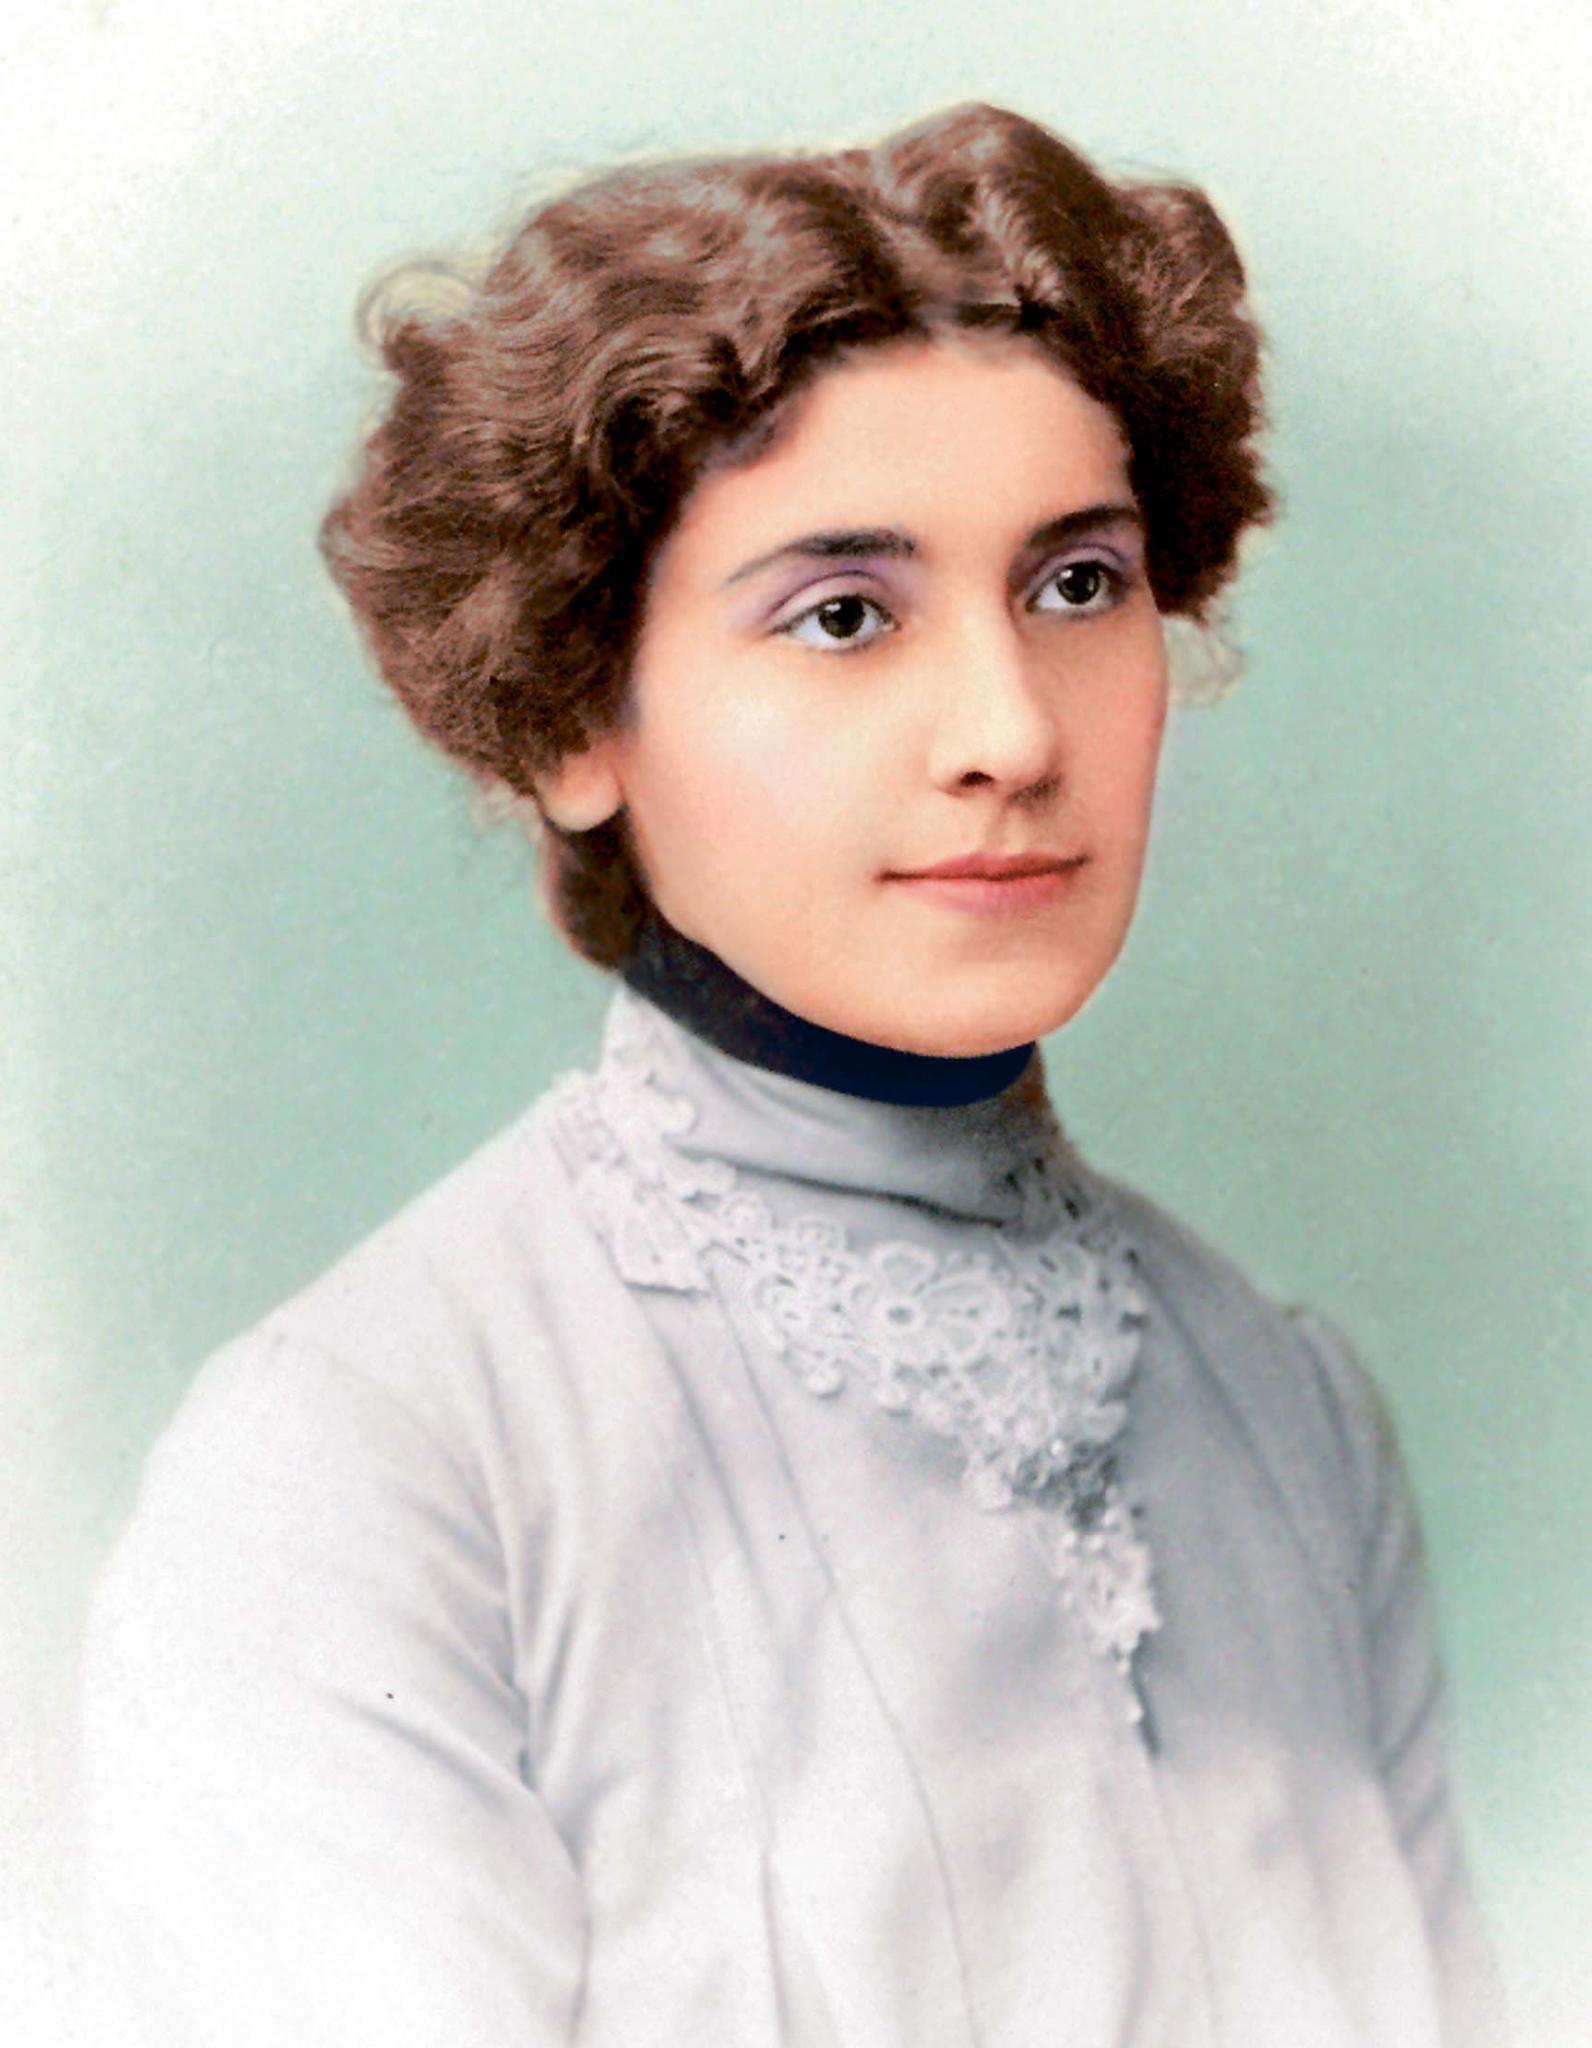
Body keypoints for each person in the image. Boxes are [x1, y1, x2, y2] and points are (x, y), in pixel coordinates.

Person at [78, 101, 1506, 2047]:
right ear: (575, 711)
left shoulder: (1286, 1408)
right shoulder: (370, 1466)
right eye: (844, 615)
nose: (1010, 730)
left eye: (1077, 586)